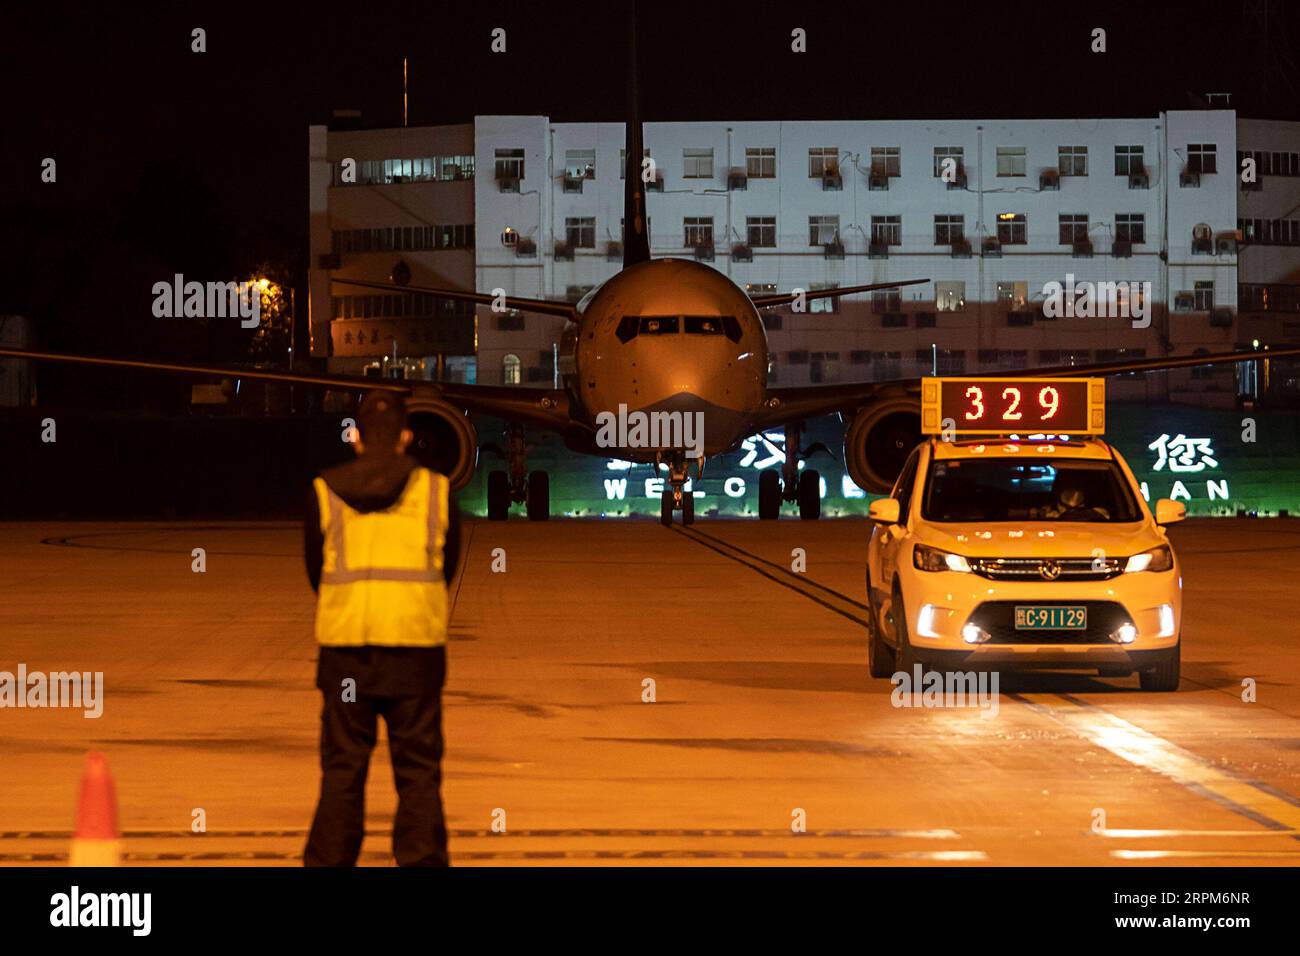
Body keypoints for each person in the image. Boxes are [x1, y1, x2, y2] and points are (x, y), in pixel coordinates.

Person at [302, 390, 461, 867]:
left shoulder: (324, 489)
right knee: (418, 773)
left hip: (348, 654)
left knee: (343, 769)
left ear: (355, 437)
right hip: (414, 653)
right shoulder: (435, 490)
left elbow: (316, 569)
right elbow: (446, 566)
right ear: (407, 438)